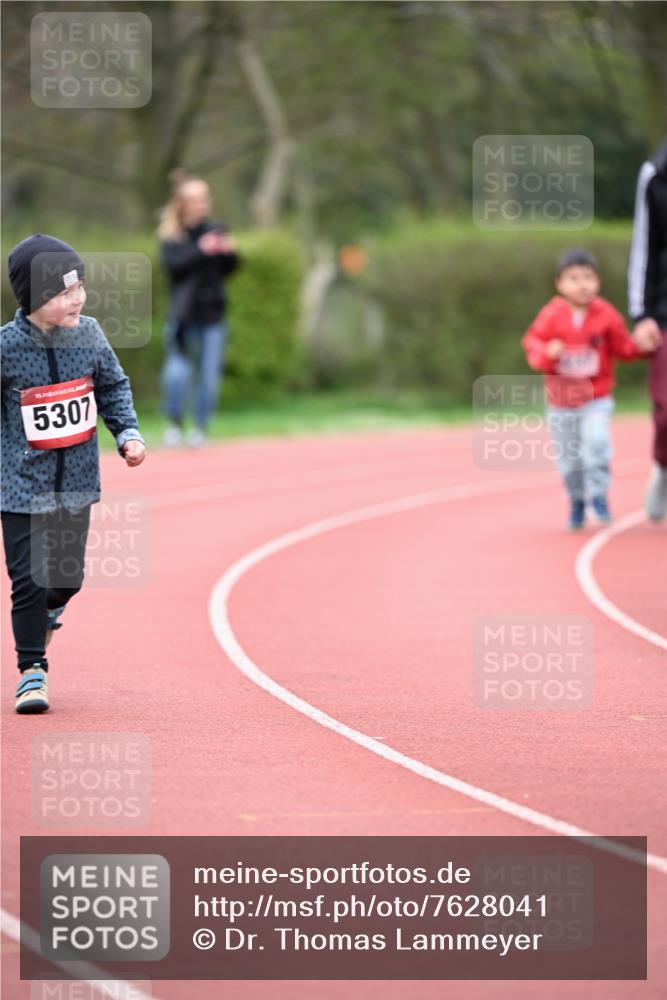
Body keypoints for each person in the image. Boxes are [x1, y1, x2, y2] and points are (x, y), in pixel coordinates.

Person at [1, 234, 146, 714]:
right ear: (33, 298)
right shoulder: (5, 347)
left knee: (65, 581)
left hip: (76, 482)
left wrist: (127, 433)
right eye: (64, 292)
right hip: (18, 485)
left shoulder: (90, 334)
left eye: (80, 286)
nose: (78, 298)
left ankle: (49, 612)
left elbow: (113, 385)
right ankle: (32, 672)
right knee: (28, 580)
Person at [523, 249, 655, 531]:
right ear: (559, 283)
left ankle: (598, 494)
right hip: (561, 403)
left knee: (596, 444)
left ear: (598, 282)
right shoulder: (551, 315)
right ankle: (576, 500)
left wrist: (644, 348)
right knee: (569, 460)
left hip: (596, 398)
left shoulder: (606, 314)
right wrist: (547, 352)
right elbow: (532, 344)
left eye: (588, 277)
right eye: (574, 278)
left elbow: (622, 347)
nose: (582, 284)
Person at [158, 170, 240, 447]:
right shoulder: (172, 236)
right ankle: (174, 423)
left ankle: (200, 427)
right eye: (198, 199)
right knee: (177, 373)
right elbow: (172, 266)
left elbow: (228, 270)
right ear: (184, 204)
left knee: (208, 376)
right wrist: (201, 250)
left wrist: (229, 252)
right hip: (182, 315)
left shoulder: (215, 229)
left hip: (212, 314)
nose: (204, 204)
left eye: (206, 198)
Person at [628, 138, 667, 521]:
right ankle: (664, 464)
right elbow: (644, 247)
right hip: (664, 313)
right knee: (666, 409)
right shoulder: (656, 173)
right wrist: (641, 315)